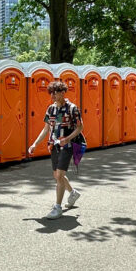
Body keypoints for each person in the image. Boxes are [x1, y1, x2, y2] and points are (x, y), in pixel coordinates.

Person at [28, 81, 85, 220]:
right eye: (51, 92)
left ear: (63, 92)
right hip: (54, 145)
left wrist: (68, 138)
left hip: (68, 146)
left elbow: (80, 127)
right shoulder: (51, 109)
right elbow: (46, 128)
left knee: (59, 176)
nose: (52, 95)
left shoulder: (72, 108)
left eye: (55, 92)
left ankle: (57, 207)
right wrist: (35, 144)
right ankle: (72, 193)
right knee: (56, 175)